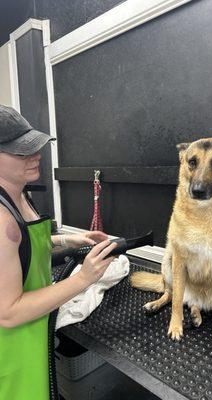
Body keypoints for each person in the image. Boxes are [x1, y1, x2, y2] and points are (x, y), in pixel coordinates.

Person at [0, 105, 117, 400]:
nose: (36, 155)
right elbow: (8, 313)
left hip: (35, 329)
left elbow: (26, 245)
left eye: (34, 147)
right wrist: (84, 279)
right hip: (11, 348)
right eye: (21, 152)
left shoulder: (19, 191)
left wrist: (70, 240)